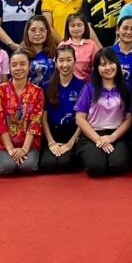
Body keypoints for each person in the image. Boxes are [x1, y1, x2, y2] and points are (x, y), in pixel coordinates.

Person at [76, 48, 132, 177]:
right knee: (96, 168)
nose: (108, 68)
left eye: (111, 63)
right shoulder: (89, 87)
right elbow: (80, 118)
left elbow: (129, 119)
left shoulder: (126, 87)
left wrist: (112, 137)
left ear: (117, 64)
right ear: (96, 68)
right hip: (92, 135)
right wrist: (99, 139)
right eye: (102, 64)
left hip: (117, 134)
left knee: (118, 165)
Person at [0, 50, 44, 175]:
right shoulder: (0, 90)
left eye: (22, 64)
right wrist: (10, 150)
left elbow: (35, 123)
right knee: (7, 167)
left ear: (29, 66)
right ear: (9, 67)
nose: (18, 68)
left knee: (27, 167)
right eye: (14, 65)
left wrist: (24, 149)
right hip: (3, 144)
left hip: (29, 144)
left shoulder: (37, 91)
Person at [39, 45, 84, 173]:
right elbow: (43, 118)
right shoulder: (46, 86)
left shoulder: (83, 86)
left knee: (65, 164)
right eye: (61, 60)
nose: (65, 64)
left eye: (69, 60)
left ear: (75, 62)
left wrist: (71, 143)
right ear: (55, 62)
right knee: (48, 165)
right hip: (52, 134)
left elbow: (84, 118)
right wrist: (51, 142)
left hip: (73, 134)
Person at [58, 12, 99, 89]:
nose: (76, 29)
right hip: (66, 85)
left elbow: (96, 67)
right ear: (67, 27)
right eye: (72, 25)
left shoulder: (92, 44)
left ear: (85, 26)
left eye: (79, 25)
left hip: (86, 86)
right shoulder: (62, 45)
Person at [20, 15, 57, 91]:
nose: (37, 33)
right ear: (27, 32)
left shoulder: (54, 52)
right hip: (28, 96)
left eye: (42, 30)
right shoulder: (20, 54)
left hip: (51, 96)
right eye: (33, 30)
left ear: (47, 32)